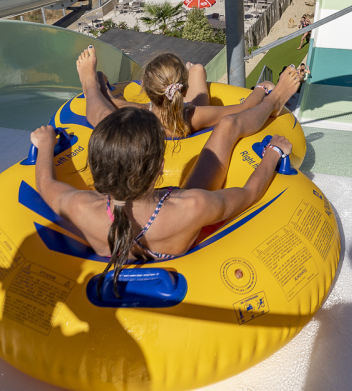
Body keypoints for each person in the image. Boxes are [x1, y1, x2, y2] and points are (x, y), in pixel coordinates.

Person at [30, 67, 302, 279]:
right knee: (228, 125)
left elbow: (45, 183)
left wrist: (44, 146)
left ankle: (93, 87)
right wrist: (273, 153)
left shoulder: (80, 208)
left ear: (98, 167)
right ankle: (273, 100)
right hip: (171, 216)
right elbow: (248, 193)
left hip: (143, 215)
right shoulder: (194, 205)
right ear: (160, 168)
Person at [76, 47, 280, 133]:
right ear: (184, 88)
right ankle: (191, 70)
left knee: (115, 106)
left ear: (146, 89)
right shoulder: (195, 114)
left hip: (156, 113)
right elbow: (246, 106)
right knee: (199, 69)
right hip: (183, 116)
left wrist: (95, 84)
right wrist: (262, 88)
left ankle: (91, 84)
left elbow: (101, 115)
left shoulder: (142, 117)